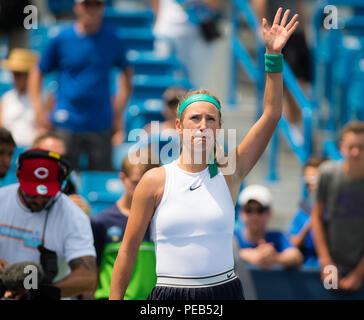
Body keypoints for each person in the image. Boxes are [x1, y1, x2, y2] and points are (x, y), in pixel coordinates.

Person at [109, 8, 300, 300]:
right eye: (195, 118)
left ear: (220, 127)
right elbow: (128, 248)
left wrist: (273, 55)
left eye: (211, 119)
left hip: (224, 293)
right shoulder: (155, 180)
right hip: (168, 296)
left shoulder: (230, 171)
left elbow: (272, 114)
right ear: (179, 126)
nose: (203, 125)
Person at [29, 0, 134, 171]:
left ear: (103, 8)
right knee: (61, 178)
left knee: (100, 180)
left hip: (101, 122)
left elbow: (127, 73)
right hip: (66, 122)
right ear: (77, 7)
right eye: (87, 4)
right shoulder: (62, 37)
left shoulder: (113, 37)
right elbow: (38, 71)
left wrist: (119, 111)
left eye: (97, 5)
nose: (91, 9)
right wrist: (38, 109)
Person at [0, 148, 97, 299]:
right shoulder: (2, 199)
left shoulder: (74, 216)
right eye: (31, 193)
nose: (39, 200)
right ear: (18, 177)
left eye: (46, 195)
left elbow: (87, 277)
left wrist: (40, 294)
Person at [91, 155, 158, 300]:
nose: (142, 190)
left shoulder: (164, 220)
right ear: (122, 178)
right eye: (135, 183)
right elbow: (93, 272)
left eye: (147, 184)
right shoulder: (101, 221)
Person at [311, 120, 364, 292]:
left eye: (361, 147)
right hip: (332, 266)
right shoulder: (328, 173)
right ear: (342, 147)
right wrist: (326, 262)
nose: (356, 152)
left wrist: (359, 274)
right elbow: (316, 217)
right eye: (351, 147)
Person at [251, 0, 310, 145]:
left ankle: (297, 125)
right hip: (279, 35)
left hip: (295, 34)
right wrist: (261, 26)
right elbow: (259, 3)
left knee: (299, 82)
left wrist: (305, 30)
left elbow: (299, 5)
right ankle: (293, 128)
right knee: (286, 82)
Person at [150, 0, 223, 89]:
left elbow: (215, 3)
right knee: (163, 83)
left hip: (198, 34)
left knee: (196, 86)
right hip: (167, 31)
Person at [235, 184, 303, 270]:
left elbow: (297, 257)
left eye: (260, 210)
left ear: (269, 213)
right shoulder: (232, 236)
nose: (254, 216)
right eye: (249, 210)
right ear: (241, 213)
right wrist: (244, 255)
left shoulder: (278, 237)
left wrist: (275, 257)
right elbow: (219, 254)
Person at [32, 131, 91, 216]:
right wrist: (64, 205)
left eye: (63, 158)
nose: (58, 163)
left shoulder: (68, 185)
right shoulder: (22, 188)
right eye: (51, 157)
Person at [288, 156, 327, 268]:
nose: (312, 186)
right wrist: (310, 224)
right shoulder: (303, 213)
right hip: (308, 275)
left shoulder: (343, 212)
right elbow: (292, 244)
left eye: (316, 181)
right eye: (307, 181)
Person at [0, 49, 39, 147]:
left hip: (31, 150)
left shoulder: (45, 98)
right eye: (13, 72)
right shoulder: (7, 98)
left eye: (19, 73)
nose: (15, 77)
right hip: (9, 151)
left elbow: (44, 128)